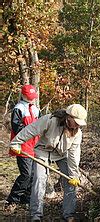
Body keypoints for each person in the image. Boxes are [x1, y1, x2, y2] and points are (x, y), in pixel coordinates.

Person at [9, 104, 87, 222]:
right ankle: (36, 214)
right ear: (68, 117)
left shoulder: (77, 133)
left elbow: (73, 155)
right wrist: (16, 143)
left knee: (71, 182)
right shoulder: (50, 120)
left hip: (62, 154)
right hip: (43, 151)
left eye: (79, 123)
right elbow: (31, 130)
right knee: (39, 179)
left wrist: (74, 175)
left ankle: (68, 214)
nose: (77, 125)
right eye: (76, 122)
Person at [4, 84, 40, 213]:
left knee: (33, 174)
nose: (32, 99)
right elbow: (16, 128)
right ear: (24, 95)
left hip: (34, 145)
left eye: (33, 96)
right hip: (22, 145)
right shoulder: (18, 109)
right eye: (29, 97)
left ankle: (26, 198)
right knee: (25, 174)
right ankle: (12, 199)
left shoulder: (35, 109)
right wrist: (30, 131)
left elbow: (40, 124)